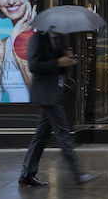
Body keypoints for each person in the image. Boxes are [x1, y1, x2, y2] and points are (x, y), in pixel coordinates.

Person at [19, 31, 94, 186]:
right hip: (47, 93)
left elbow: (60, 69)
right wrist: (59, 62)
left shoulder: (61, 39)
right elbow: (33, 66)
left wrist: (68, 59)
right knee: (63, 133)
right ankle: (77, 174)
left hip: (57, 91)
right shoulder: (38, 39)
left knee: (41, 135)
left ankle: (26, 174)